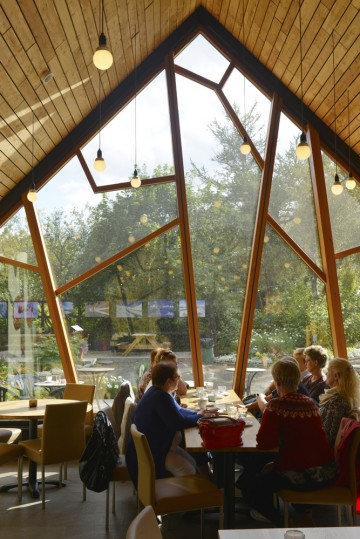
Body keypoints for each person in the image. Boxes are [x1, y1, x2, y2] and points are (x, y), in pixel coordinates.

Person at [242, 357, 337, 526]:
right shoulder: (310, 404)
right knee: (269, 471)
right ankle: (305, 517)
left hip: (303, 477)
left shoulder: (275, 406)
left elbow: (264, 444)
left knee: (250, 488)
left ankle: (286, 525)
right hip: (326, 472)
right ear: (298, 380)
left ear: (277, 381)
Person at [126, 361, 203, 487]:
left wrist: (198, 413)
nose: (179, 380)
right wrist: (200, 417)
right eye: (177, 377)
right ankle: (186, 504)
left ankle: (195, 501)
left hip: (152, 449)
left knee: (193, 462)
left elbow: (179, 410)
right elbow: (178, 422)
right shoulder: (161, 397)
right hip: (154, 454)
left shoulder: (156, 392)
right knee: (188, 470)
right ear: (168, 381)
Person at [319, 358, 360, 449]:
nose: (326, 374)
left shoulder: (337, 402)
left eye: (328, 370)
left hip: (326, 454)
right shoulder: (344, 396)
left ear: (336, 376)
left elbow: (329, 437)